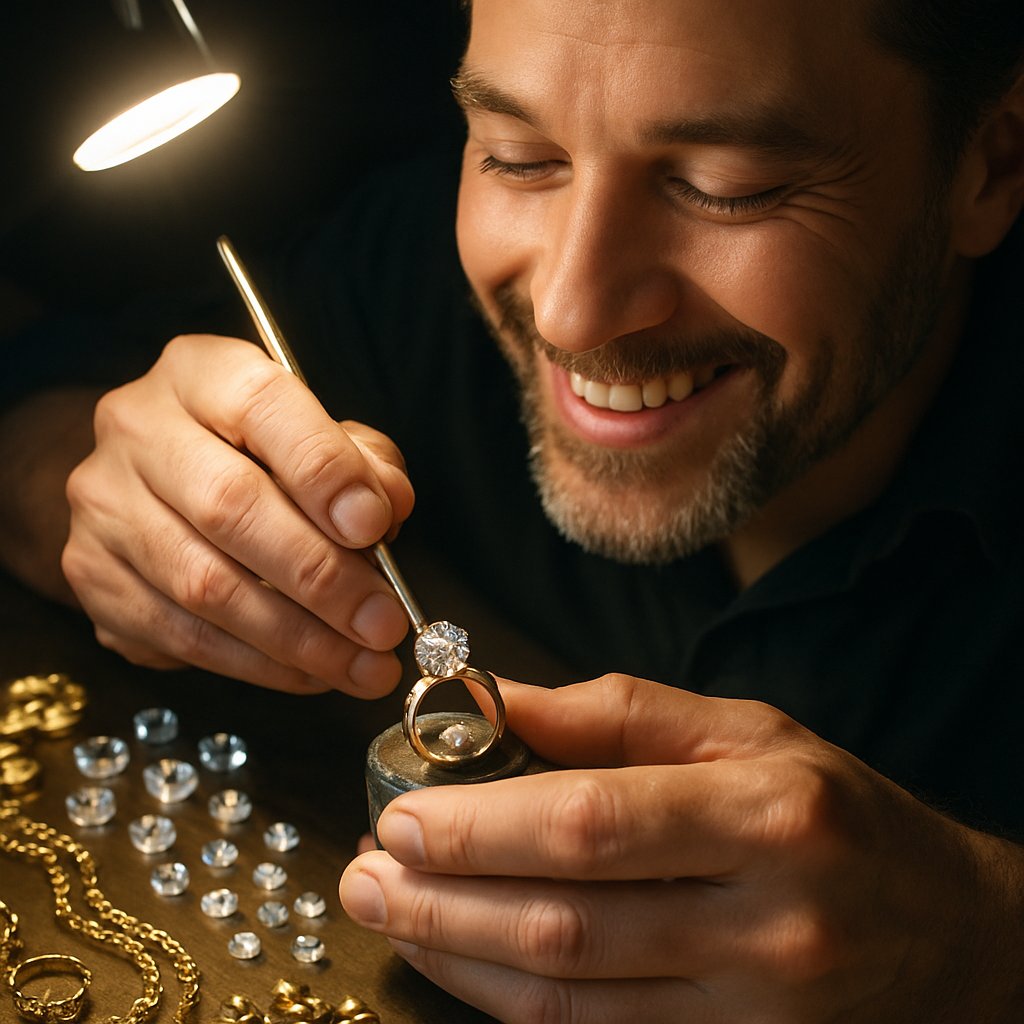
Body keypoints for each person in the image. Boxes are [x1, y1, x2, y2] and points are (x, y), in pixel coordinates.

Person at [1, 0, 1022, 1020]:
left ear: (989, 163)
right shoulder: (402, 268)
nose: (569, 310)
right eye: (519, 157)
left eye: (725, 188)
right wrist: (83, 488)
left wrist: (981, 938)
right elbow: (41, 395)